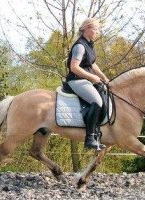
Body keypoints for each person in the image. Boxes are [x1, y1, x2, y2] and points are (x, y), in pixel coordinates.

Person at [65, 18, 109, 150]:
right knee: (97, 101)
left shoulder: (89, 44)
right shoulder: (80, 46)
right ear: (86, 29)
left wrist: (105, 78)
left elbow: (92, 64)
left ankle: (97, 133)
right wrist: (93, 77)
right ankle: (89, 138)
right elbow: (74, 67)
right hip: (76, 80)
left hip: (85, 80)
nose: (97, 31)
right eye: (95, 29)